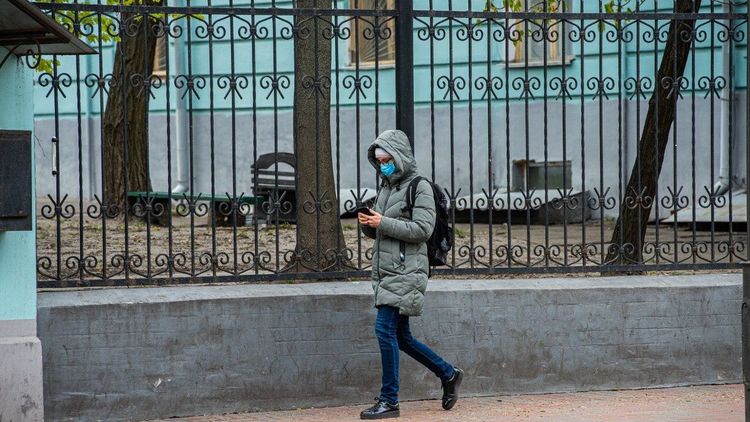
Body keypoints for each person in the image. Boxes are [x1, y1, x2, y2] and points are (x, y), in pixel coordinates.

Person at [358, 129, 464, 420]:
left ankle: (389, 400)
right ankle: (449, 374)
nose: (383, 166)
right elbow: (381, 231)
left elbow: (422, 230)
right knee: (401, 337)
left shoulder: (420, 187)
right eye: (379, 161)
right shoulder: (386, 188)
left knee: (384, 330)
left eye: (387, 160)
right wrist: (369, 223)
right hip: (387, 270)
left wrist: (383, 222)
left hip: (407, 270)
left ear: (400, 156)